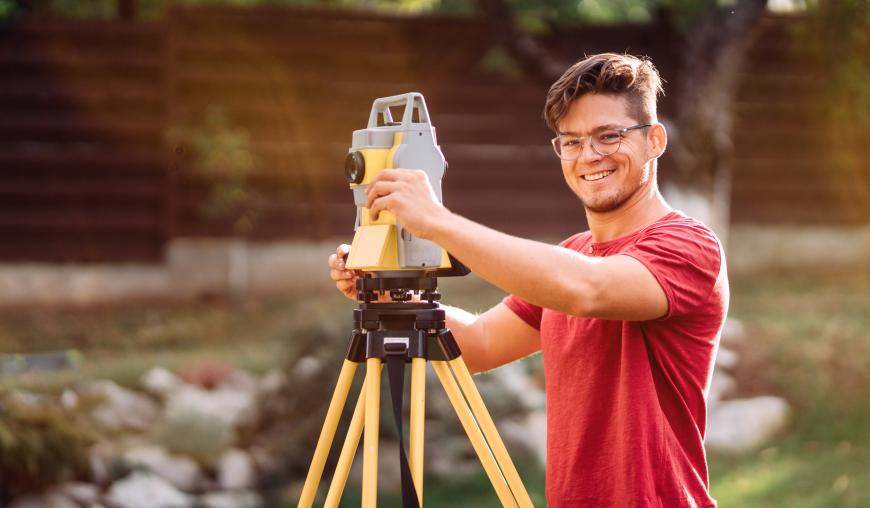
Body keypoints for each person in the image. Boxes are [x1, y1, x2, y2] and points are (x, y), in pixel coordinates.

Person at [328, 53, 728, 507]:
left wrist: (436, 222)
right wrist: (389, 290)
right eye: (571, 142)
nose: (589, 156)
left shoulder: (688, 246)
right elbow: (478, 344)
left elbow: (589, 290)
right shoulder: (571, 256)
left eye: (609, 136)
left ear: (654, 140)